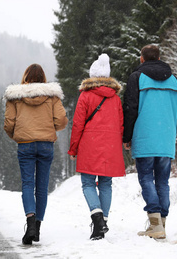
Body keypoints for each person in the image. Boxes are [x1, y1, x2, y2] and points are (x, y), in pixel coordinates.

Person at [123, 44, 177, 239]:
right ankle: (161, 224)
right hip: (165, 138)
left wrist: (127, 136)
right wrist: (170, 132)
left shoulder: (137, 78)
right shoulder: (174, 80)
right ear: (158, 58)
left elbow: (131, 108)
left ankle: (155, 224)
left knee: (147, 178)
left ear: (142, 58)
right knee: (163, 181)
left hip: (145, 136)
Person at [3, 64, 68, 245]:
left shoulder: (15, 96)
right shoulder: (52, 96)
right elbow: (61, 120)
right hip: (46, 144)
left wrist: (17, 135)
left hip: (25, 144)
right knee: (41, 187)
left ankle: (30, 223)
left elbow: (9, 123)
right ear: (43, 78)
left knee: (27, 184)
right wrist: (49, 129)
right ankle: (37, 228)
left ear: (25, 77)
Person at [68, 54, 125, 240]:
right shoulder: (115, 99)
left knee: (88, 183)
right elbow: (120, 124)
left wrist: (73, 148)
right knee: (106, 184)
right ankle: (102, 222)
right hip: (110, 146)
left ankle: (98, 218)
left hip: (89, 145)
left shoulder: (85, 96)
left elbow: (78, 124)